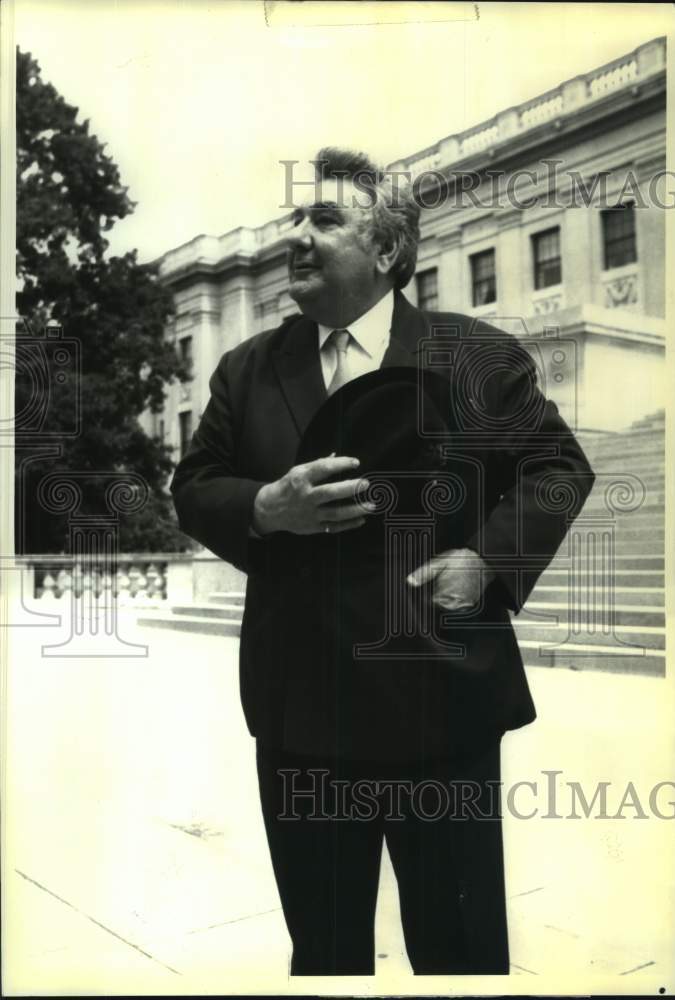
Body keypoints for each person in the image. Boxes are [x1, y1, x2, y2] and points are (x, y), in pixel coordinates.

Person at [170, 148, 595, 976]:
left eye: (323, 220)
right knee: (325, 957)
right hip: (302, 716)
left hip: (441, 701)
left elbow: (557, 468)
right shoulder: (246, 369)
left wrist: (487, 560)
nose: (296, 235)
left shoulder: (476, 357)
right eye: (296, 218)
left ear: (390, 251)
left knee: (459, 955)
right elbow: (193, 487)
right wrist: (263, 507)